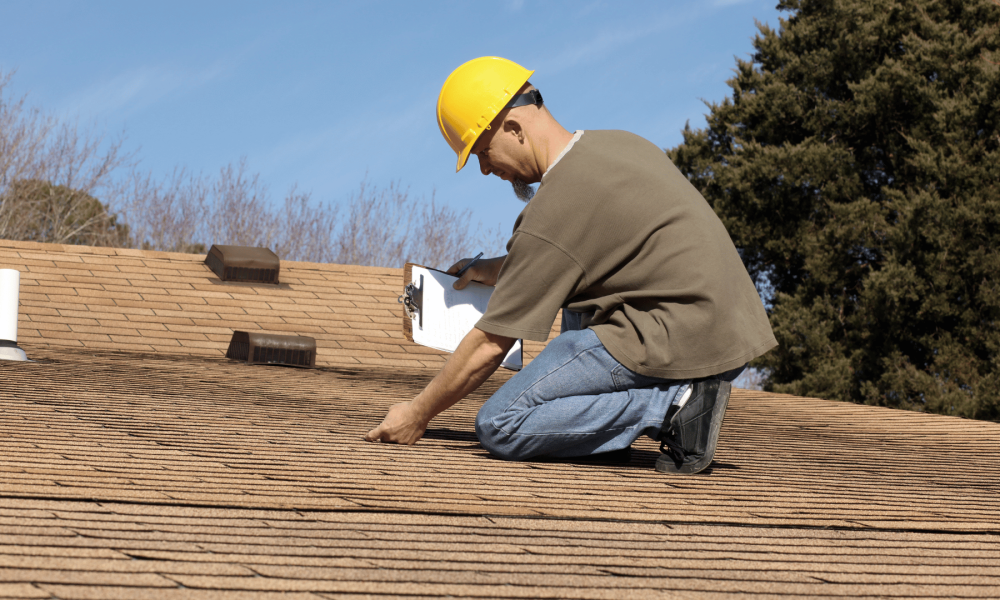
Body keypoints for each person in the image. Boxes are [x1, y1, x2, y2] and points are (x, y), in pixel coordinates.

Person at [365, 56, 776, 474]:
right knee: (576, 298)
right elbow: (573, 253)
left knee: (500, 424)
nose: (486, 169)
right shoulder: (618, 146)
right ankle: (600, 436)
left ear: (514, 128)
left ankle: (674, 407)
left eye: (482, 152)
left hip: (678, 337)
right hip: (724, 329)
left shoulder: (555, 207)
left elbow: (490, 344)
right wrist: (494, 269)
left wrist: (418, 412)